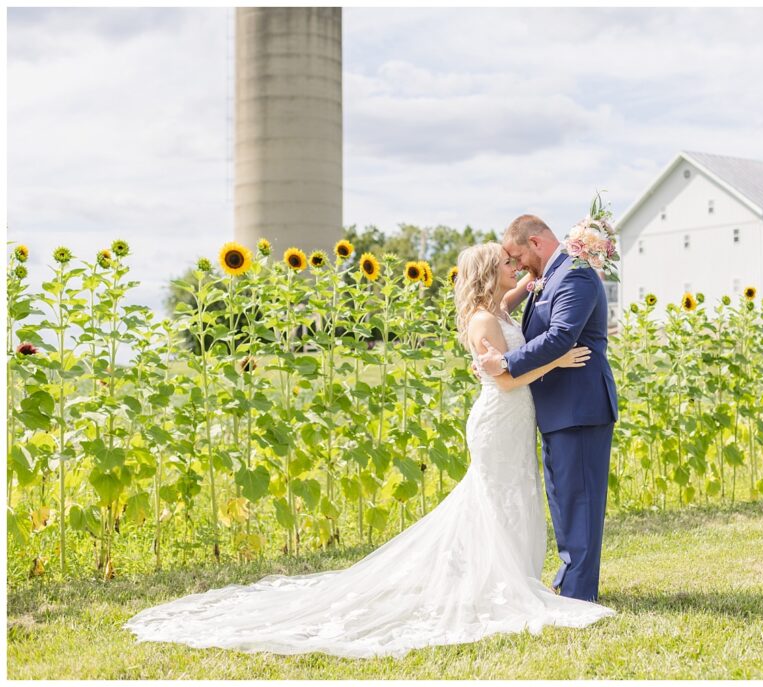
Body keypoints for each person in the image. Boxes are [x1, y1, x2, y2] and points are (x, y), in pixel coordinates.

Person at [123, 243, 614, 659]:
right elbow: (504, 379)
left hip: (512, 421)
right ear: (490, 273)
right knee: (494, 498)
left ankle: (509, 576)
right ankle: (496, 583)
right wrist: (555, 362)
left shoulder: (498, 307)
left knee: (511, 495)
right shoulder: (484, 319)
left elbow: (508, 310)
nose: (518, 269)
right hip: (500, 415)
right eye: (508, 265)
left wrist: (529, 287)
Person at [477, 214, 618, 603]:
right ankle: (569, 581)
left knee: (581, 502)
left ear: (536, 243)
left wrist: (505, 363)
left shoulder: (574, 274)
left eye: (518, 255)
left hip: (580, 407)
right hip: (557, 409)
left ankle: (578, 593)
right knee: (566, 500)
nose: (517, 264)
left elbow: (560, 337)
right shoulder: (547, 278)